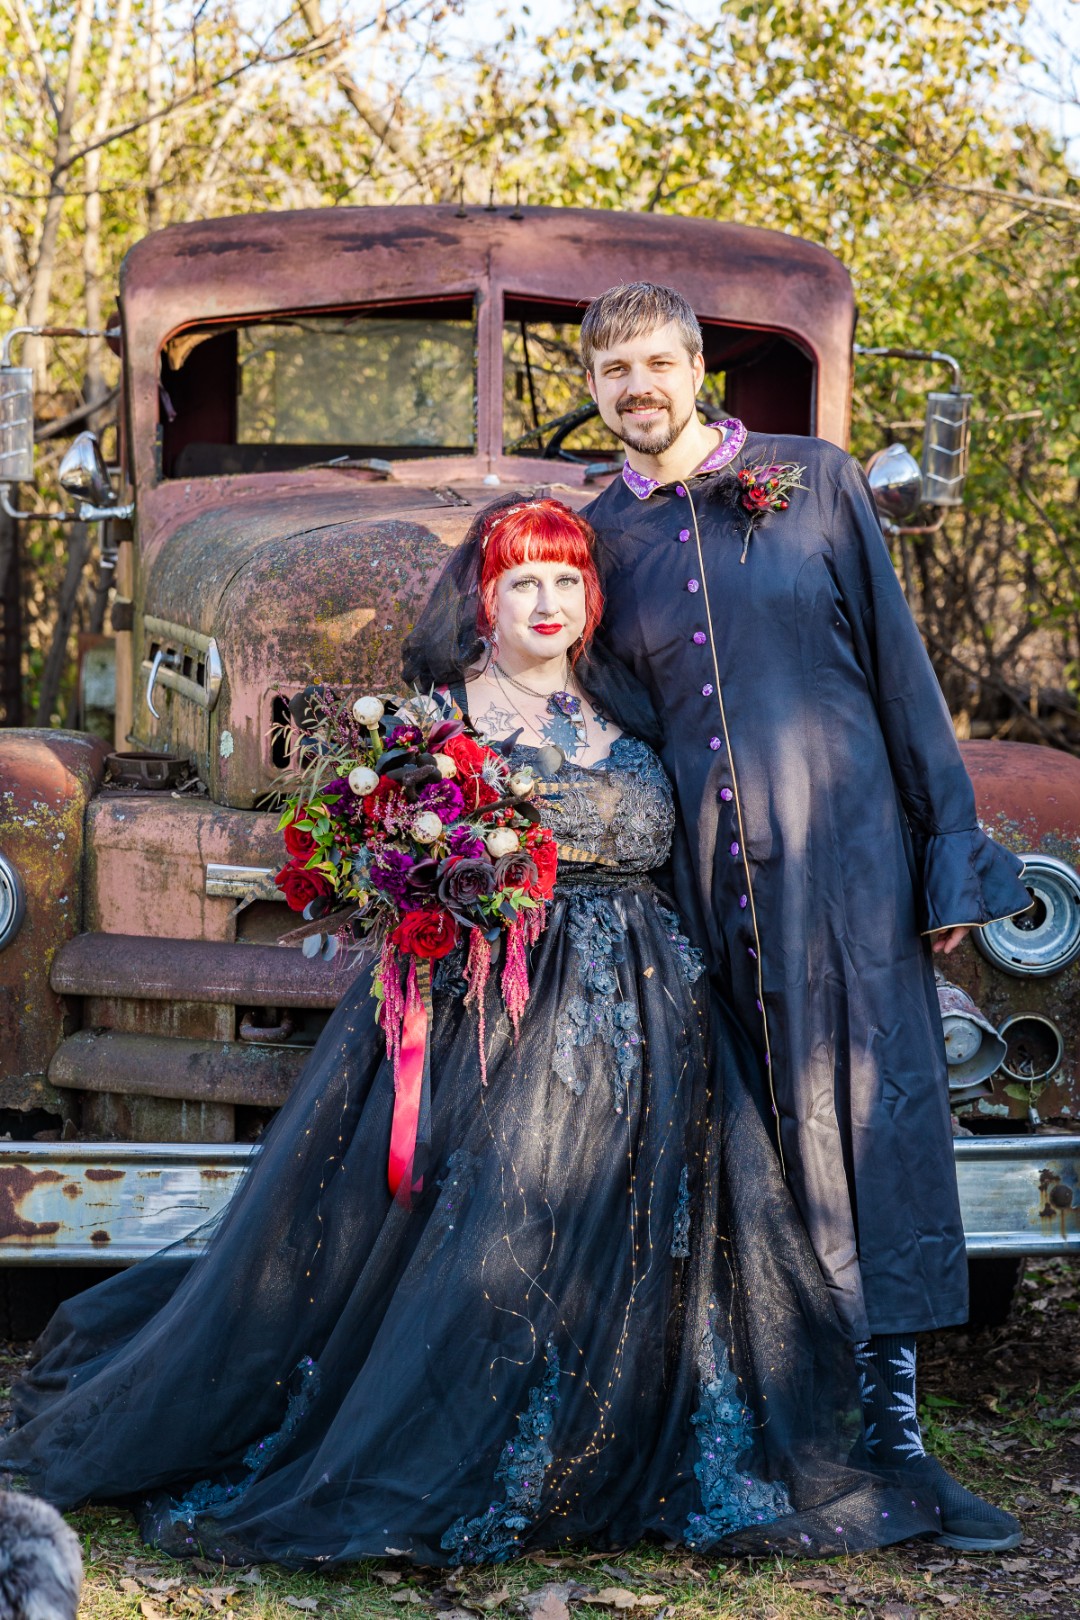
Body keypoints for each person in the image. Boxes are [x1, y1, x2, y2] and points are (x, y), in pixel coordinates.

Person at [0, 498, 944, 1566]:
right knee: (499, 1227)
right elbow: (402, 875)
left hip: (657, 1016)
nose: (548, 601)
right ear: (484, 602)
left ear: (592, 602)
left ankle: (609, 1424)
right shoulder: (439, 728)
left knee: (645, 1240)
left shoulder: (633, 708)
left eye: (567, 581)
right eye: (523, 582)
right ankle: (469, 1440)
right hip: (505, 1020)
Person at [579, 282, 1032, 1553]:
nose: (638, 389)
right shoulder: (595, 537)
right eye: (614, 372)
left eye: (657, 362)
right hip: (705, 892)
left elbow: (902, 671)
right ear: (597, 389)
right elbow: (604, 720)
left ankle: (898, 1444)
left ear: (697, 365)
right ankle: (782, 1431)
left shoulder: (815, 480)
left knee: (874, 1135)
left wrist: (947, 849)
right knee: (753, 1153)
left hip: (847, 877)